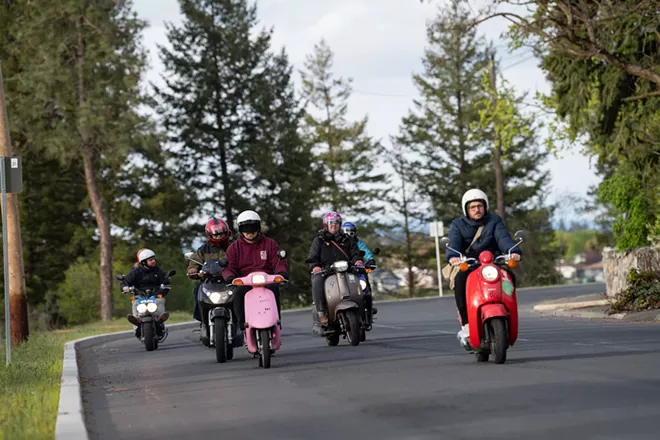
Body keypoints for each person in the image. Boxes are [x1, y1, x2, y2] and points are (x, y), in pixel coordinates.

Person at [446, 189, 521, 346]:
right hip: (470, 262)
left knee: (509, 276)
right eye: (472, 207)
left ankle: (508, 309)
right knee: (460, 280)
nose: (476, 209)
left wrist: (513, 251)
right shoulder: (458, 225)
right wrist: (453, 256)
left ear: (485, 206)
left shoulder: (494, 221)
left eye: (479, 206)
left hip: (493, 261)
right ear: (466, 209)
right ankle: (466, 323)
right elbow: (454, 243)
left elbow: (504, 239)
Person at [221, 210, 288, 332]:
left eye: (253, 227)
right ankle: (242, 325)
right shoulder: (234, 248)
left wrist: (281, 273)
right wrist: (230, 277)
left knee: (274, 289)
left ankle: (276, 322)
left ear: (258, 227)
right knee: (237, 293)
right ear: (240, 229)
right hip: (245, 282)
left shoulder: (270, 244)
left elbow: (279, 261)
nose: (249, 232)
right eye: (246, 228)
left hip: (267, 280)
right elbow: (228, 266)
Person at [307, 212, 364, 326]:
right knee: (316, 280)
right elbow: (312, 258)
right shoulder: (319, 240)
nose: (334, 225)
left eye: (336, 223)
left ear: (340, 224)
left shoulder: (347, 239)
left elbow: (355, 253)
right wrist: (316, 267)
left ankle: (364, 309)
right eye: (331, 223)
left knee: (362, 280)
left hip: (346, 270)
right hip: (326, 272)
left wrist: (358, 260)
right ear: (326, 225)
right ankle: (321, 312)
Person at [186, 217, 232, 322]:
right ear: (209, 235)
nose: (219, 237)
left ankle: (242, 320)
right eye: (216, 235)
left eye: (221, 234)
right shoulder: (202, 249)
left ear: (227, 233)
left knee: (241, 291)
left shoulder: (233, 247)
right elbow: (194, 262)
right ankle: (202, 318)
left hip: (230, 281)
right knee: (197, 289)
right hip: (209, 282)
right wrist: (192, 269)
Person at [121, 248, 172, 339]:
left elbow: (165, 281)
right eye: (150, 260)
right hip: (139, 295)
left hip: (155, 294)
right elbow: (125, 281)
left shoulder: (158, 271)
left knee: (160, 301)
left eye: (153, 259)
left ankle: (159, 319)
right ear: (143, 262)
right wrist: (125, 287)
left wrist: (164, 287)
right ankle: (136, 321)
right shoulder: (135, 272)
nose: (153, 261)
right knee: (135, 302)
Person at [341, 221, 378, 316]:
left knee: (365, 283)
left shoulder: (358, 243)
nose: (349, 234)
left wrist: (370, 260)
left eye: (351, 232)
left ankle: (368, 305)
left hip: (358, 269)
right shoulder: (339, 244)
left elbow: (367, 252)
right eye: (347, 232)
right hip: (342, 271)